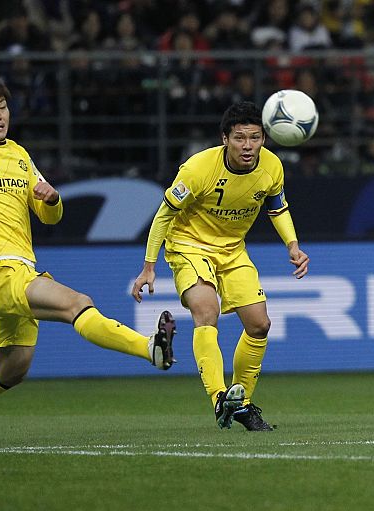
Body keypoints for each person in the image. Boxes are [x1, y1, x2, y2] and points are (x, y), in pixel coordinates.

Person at [0, 72, 175, 448]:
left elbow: (49, 217)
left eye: (2, 106)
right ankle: (149, 350)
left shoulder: (20, 155)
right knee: (77, 304)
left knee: (13, 369)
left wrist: (52, 199)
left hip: (21, 270)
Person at [132, 101, 309, 431]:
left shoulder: (271, 167)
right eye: (240, 138)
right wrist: (149, 266)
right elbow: (164, 215)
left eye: (255, 138)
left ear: (264, 140)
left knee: (260, 324)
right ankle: (218, 396)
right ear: (224, 138)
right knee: (206, 310)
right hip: (189, 245)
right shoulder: (198, 170)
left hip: (233, 250)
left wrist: (293, 245)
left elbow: (277, 207)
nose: (247, 146)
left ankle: (241, 404)